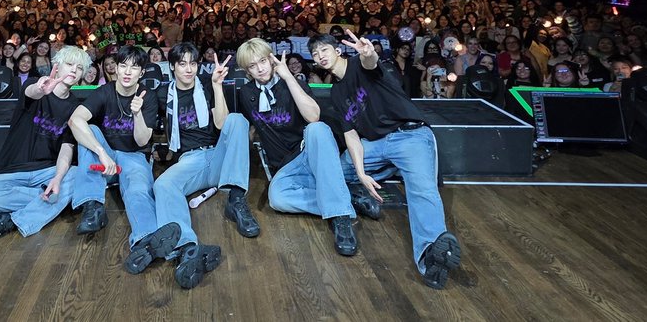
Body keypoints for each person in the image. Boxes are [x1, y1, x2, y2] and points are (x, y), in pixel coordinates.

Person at [309, 31, 462, 290]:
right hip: (375, 146)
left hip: (408, 137)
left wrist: (368, 54)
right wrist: (360, 173)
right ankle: (358, 193)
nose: (320, 56)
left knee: (422, 192)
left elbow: (371, 64)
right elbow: (351, 137)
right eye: (314, 54)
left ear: (338, 50)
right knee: (336, 171)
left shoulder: (361, 65)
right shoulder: (336, 92)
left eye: (324, 50)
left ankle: (431, 258)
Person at [235, 39, 358, 256]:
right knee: (277, 199)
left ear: (271, 60)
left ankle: (341, 218)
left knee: (317, 129)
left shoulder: (292, 82)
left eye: (263, 61)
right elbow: (251, 128)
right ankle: (345, 198)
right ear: (247, 70)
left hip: (308, 154)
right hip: (285, 167)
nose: (260, 68)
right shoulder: (246, 93)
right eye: (252, 66)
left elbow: (313, 116)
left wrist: (288, 78)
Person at [67, 45, 181, 274]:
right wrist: (100, 151)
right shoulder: (104, 91)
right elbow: (74, 120)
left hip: (134, 157)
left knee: (138, 192)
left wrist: (137, 113)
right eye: (123, 66)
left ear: (141, 72)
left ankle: (146, 242)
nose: (128, 72)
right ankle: (93, 208)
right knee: (89, 129)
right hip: (105, 157)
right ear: (115, 69)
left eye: (134, 67)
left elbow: (142, 141)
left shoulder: (146, 97)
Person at [152, 42, 255, 289]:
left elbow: (221, 124)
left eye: (193, 63)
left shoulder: (208, 84)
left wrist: (217, 87)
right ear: (172, 67)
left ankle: (237, 199)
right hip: (190, 161)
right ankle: (187, 247)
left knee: (238, 120)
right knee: (163, 184)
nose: (189, 69)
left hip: (220, 156)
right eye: (182, 64)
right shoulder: (162, 94)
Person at [0, 46, 92, 245]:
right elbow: (32, 92)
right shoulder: (34, 84)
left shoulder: (75, 108)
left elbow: (67, 147)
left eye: (79, 68)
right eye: (70, 64)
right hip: (13, 170)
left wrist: (57, 177)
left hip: (46, 171)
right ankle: (54, 201)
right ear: (57, 66)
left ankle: (11, 220)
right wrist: (41, 88)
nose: (74, 70)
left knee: (74, 176)